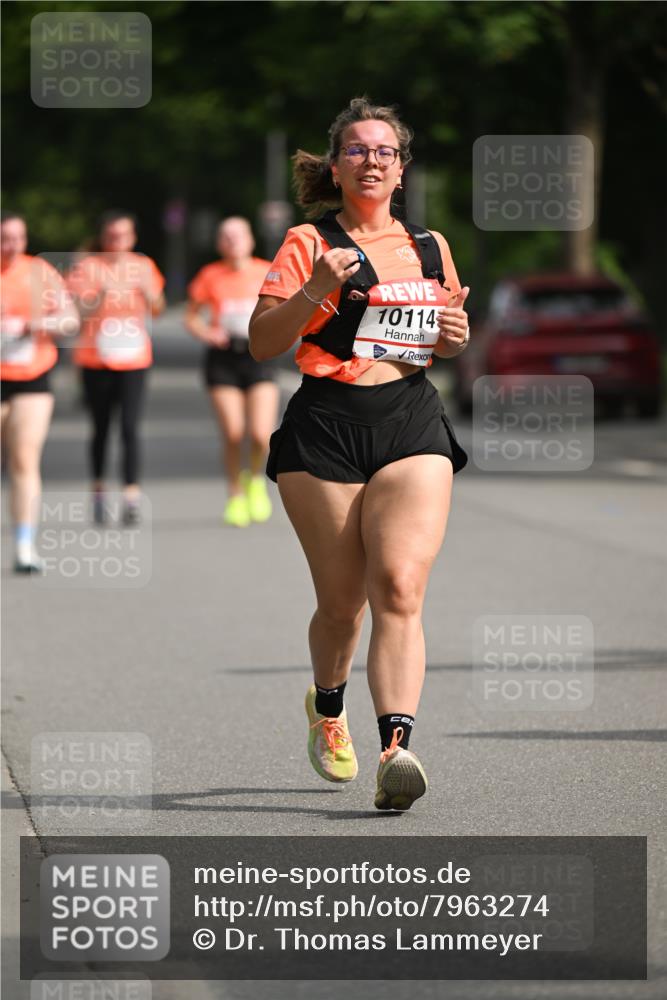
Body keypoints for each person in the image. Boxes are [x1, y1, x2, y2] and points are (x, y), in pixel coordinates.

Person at [249, 98, 470, 811]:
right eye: (356, 151)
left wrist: (452, 340)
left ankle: (396, 751)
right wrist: (316, 289)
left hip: (409, 420)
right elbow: (261, 343)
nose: (370, 161)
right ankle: (327, 706)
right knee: (342, 605)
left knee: (400, 587)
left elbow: (440, 337)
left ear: (401, 169)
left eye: (384, 151)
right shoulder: (308, 242)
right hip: (325, 430)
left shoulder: (430, 246)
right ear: (336, 167)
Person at [67, 212, 165, 524]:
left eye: (123, 236)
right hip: (96, 359)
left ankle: (131, 495)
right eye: (111, 236)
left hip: (134, 358)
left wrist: (148, 294)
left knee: (130, 427)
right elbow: (77, 315)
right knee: (101, 427)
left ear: (133, 238)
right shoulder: (87, 267)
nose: (117, 242)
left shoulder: (143, 266)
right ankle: (98, 490)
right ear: (103, 237)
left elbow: (158, 308)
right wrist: (101, 295)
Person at [185, 217, 278, 527]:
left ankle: (254, 479)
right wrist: (206, 333)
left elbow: (285, 307)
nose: (232, 241)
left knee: (261, 434)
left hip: (259, 356)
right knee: (234, 433)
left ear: (250, 240)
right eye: (225, 237)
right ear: (218, 243)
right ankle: (235, 493)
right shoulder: (210, 275)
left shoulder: (266, 271)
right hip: (223, 358)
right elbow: (192, 318)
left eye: (237, 236)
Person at [1, 211, 79, 572]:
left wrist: (40, 324)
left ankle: (24, 544)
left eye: (18, 238)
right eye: (4, 239)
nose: (11, 246)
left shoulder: (40, 273)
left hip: (32, 376)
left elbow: (70, 320)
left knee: (23, 457)